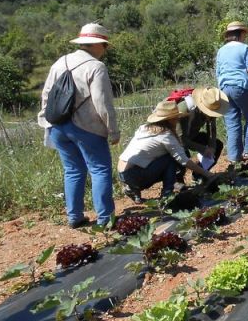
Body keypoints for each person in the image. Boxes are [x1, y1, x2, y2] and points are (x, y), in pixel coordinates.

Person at [37, 23, 119, 228]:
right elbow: (102, 103)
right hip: (86, 127)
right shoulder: (96, 67)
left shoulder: (60, 62)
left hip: (58, 126)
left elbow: (46, 95)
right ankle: (105, 219)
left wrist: (46, 121)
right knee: (100, 170)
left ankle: (74, 217)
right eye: (105, 45)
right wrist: (113, 130)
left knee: (72, 170)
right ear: (99, 44)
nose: (106, 50)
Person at [118, 101, 215, 204]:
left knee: (155, 158)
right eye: (176, 118)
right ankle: (167, 195)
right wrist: (206, 173)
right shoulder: (165, 135)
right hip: (135, 174)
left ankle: (132, 189)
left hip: (122, 173)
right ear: (170, 120)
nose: (178, 120)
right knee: (170, 159)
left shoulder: (144, 128)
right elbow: (183, 161)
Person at [217, 21, 248, 161]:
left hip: (225, 88)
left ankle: (234, 157)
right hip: (241, 86)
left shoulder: (221, 50)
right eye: (244, 34)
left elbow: (218, 72)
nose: (245, 36)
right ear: (241, 33)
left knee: (232, 122)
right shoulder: (245, 48)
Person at [175, 87, 228, 181]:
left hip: (191, 135)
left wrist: (212, 147)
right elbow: (181, 140)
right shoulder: (185, 109)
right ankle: (177, 180)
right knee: (183, 151)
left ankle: (199, 174)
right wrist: (202, 148)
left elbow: (212, 129)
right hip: (176, 139)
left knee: (218, 145)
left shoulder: (212, 107)